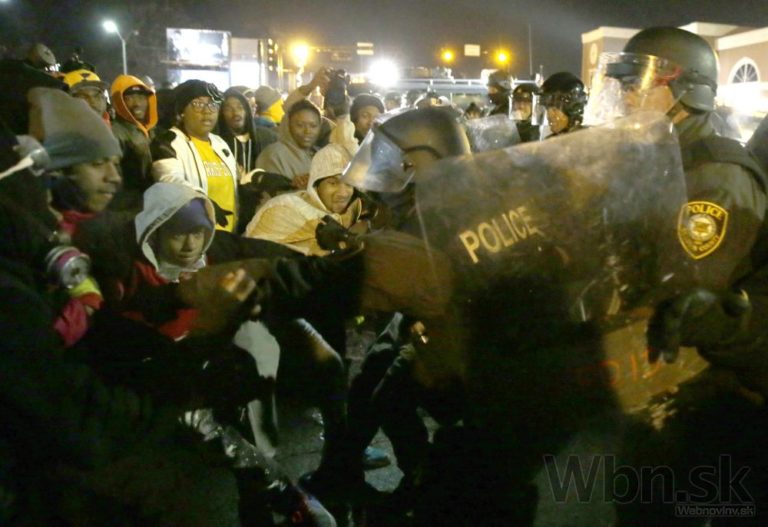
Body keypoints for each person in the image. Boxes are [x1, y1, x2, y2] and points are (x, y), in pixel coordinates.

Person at [586, 26, 768, 525]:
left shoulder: (714, 174)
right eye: (623, 84)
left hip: (697, 390)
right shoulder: (657, 156)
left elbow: (684, 292)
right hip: (653, 381)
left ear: (686, 90)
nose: (627, 96)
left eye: (638, 83)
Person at [151, 79, 241, 233]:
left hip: (229, 235)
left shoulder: (220, 143)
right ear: (181, 112)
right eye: (198, 104)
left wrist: (258, 179)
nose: (207, 111)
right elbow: (169, 180)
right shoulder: (168, 142)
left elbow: (236, 181)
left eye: (212, 104)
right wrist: (201, 200)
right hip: (194, 236)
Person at [246, 143, 362, 255]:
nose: (343, 193)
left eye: (349, 184)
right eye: (333, 183)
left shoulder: (353, 213)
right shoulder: (284, 209)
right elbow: (255, 256)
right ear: (316, 184)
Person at [109, 74, 158, 210]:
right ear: (118, 101)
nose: (137, 103)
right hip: (131, 207)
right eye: (129, 98)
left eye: (141, 97)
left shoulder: (152, 131)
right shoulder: (115, 133)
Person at [255, 99, 322, 188]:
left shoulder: (322, 154)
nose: (307, 131)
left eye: (313, 126)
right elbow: (270, 192)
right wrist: (292, 186)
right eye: (300, 125)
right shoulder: (273, 155)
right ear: (288, 126)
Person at [217, 87, 277, 178]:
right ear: (221, 113)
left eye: (240, 107)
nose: (236, 113)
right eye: (228, 109)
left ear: (247, 110)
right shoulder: (215, 142)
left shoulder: (266, 137)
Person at [539, 71, 587, 136]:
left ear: (574, 109)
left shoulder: (590, 139)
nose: (549, 115)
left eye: (554, 110)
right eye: (547, 109)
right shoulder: (551, 140)